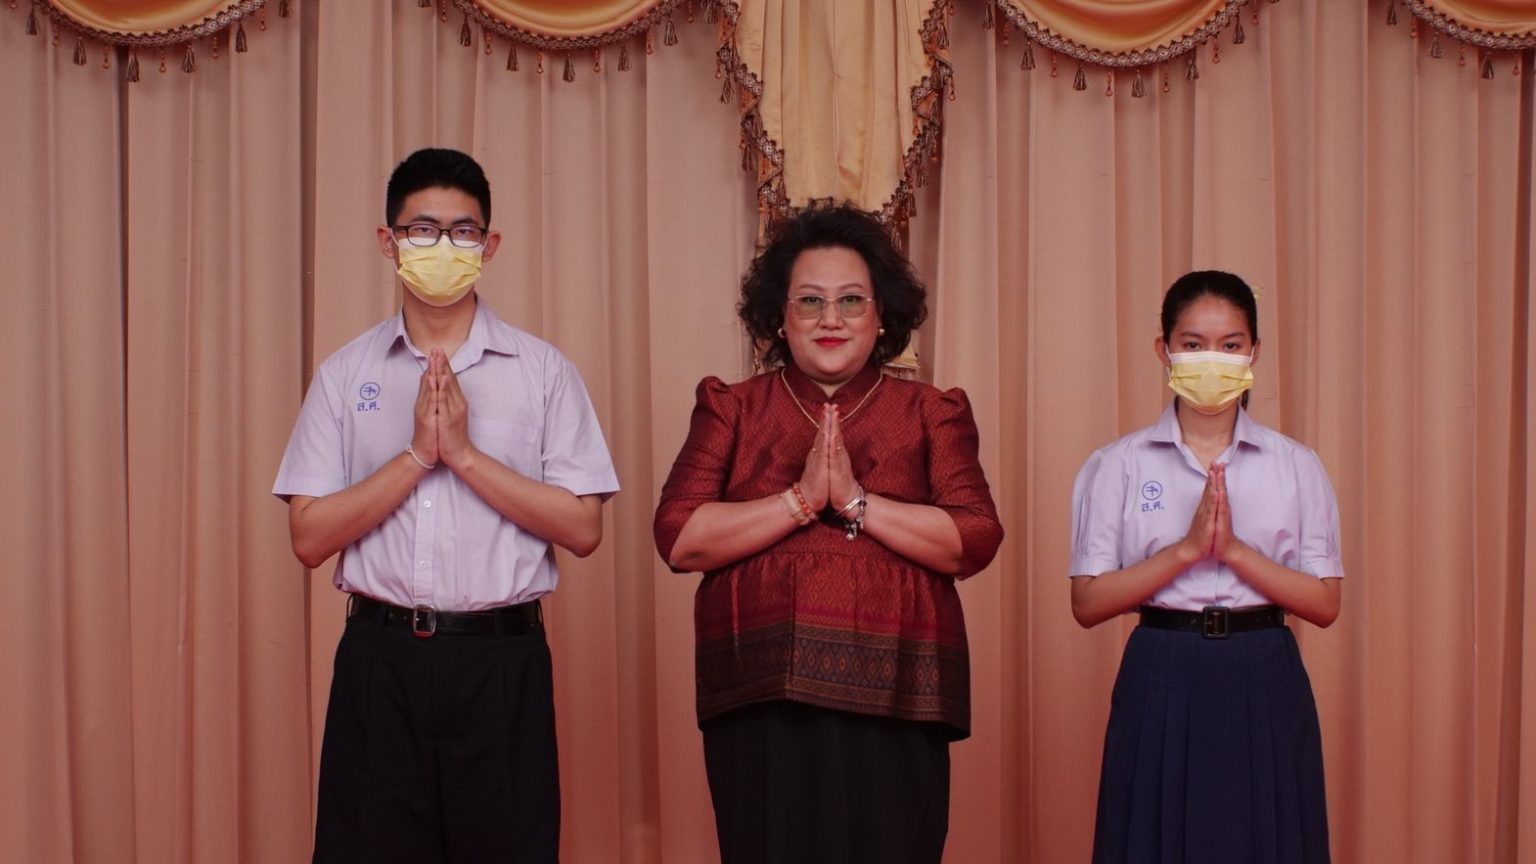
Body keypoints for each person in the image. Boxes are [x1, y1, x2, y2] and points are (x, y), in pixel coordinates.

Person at [273, 147, 619, 864]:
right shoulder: (344, 375)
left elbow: (584, 527)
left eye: (462, 232)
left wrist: (463, 456)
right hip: (380, 659)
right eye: (422, 230)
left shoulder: (544, 372)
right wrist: (415, 458)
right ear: (388, 241)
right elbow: (308, 537)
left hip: (501, 662)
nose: (443, 247)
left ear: (489, 246)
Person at [654, 204, 1004, 864]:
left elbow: (975, 537)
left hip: (899, 691)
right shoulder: (731, 408)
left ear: (881, 315)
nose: (831, 319)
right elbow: (679, 536)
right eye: (810, 301)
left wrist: (854, 501)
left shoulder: (931, 412)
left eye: (851, 301)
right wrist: (799, 501)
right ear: (780, 318)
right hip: (762, 696)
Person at [1069, 270, 1342, 863]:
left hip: (1263, 668)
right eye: (1193, 344)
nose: (1211, 359)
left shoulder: (1297, 466)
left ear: (1254, 353)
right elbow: (1087, 603)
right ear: (1163, 350)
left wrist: (1236, 552)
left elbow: (1324, 604)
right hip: (1161, 666)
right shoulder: (1117, 464)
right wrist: (1186, 552)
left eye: (1230, 344)